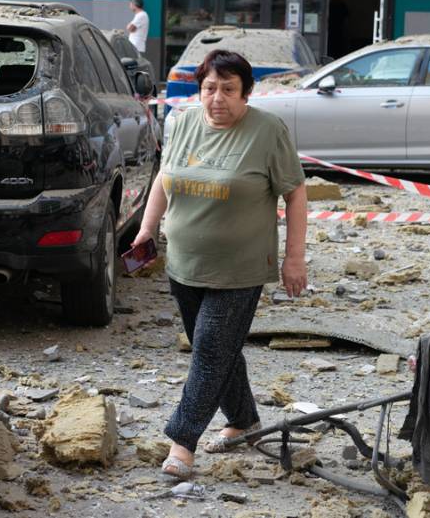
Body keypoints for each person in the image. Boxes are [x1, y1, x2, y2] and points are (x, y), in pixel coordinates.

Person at [130, 49, 308, 479]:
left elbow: (295, 193)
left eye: (229, 89)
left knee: (210, 350)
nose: (217, 98)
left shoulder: (268, 131)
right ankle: (244, 420)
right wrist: (147, 229)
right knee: (216, 348)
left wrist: (294, 258)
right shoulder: (182, 122)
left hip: (241, 267)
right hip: (184, 263)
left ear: (247, 93)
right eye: (210, 88)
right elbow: (165, 178)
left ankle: (182, 441)